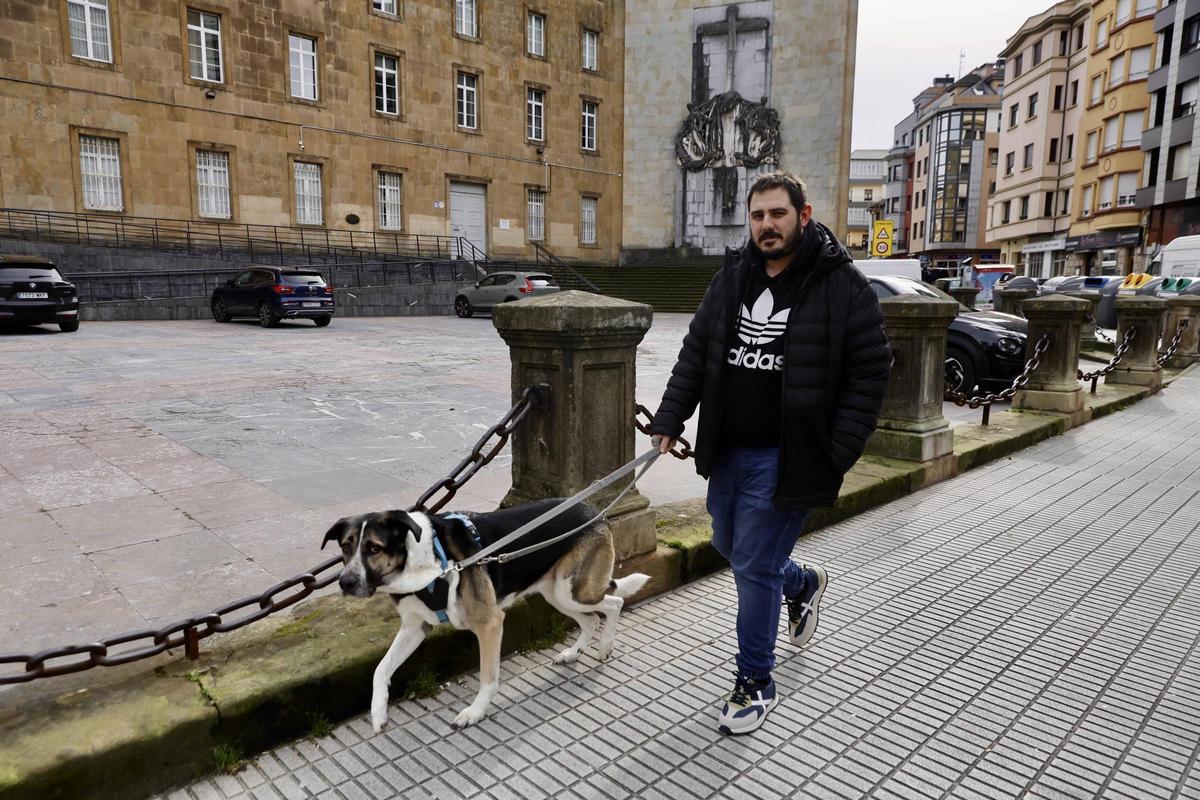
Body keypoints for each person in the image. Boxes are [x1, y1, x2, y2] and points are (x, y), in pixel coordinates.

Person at [649, 171, 892, 735]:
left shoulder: (842, 286)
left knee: (754, 566)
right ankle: (802, 584)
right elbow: (696, 354)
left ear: (802, 216)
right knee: (729, 545)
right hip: (729, 448)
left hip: (790, 457)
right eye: (758, 216)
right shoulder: (731, 278)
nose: (766, 225)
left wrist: (835, 452)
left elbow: (872, 371)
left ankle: (756, 679)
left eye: (777, 214)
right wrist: (670, 418)